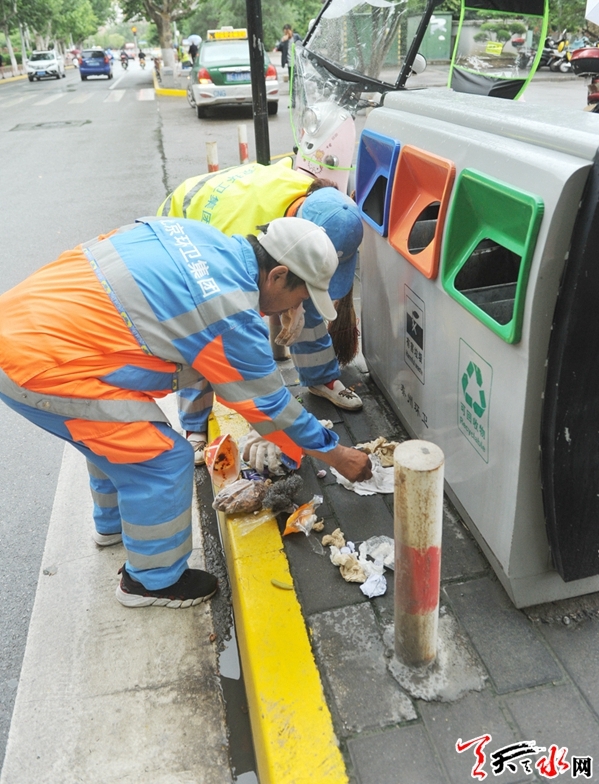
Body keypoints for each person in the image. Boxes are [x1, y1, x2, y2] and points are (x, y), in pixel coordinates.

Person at [0, 217, 372, 609]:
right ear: (278, 275)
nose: (297, 307)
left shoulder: (201, 238)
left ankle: (113, 526)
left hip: (27, 324)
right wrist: (337, 454)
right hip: (42, 362)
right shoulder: (229, 311)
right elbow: (269, 404)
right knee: (160, 459)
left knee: (119, 437)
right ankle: (150, 581)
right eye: (299, 297)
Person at [158, 159, 365, 464]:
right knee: (206, 333)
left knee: (303, 293)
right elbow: (239, 344)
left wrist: (296, 302)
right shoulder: (237, 234)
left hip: (245, 219)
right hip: (185, 225)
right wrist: (269, 421)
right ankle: (194, 425)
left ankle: (321, 377)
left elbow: (298, 284)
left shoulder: (321, 202)